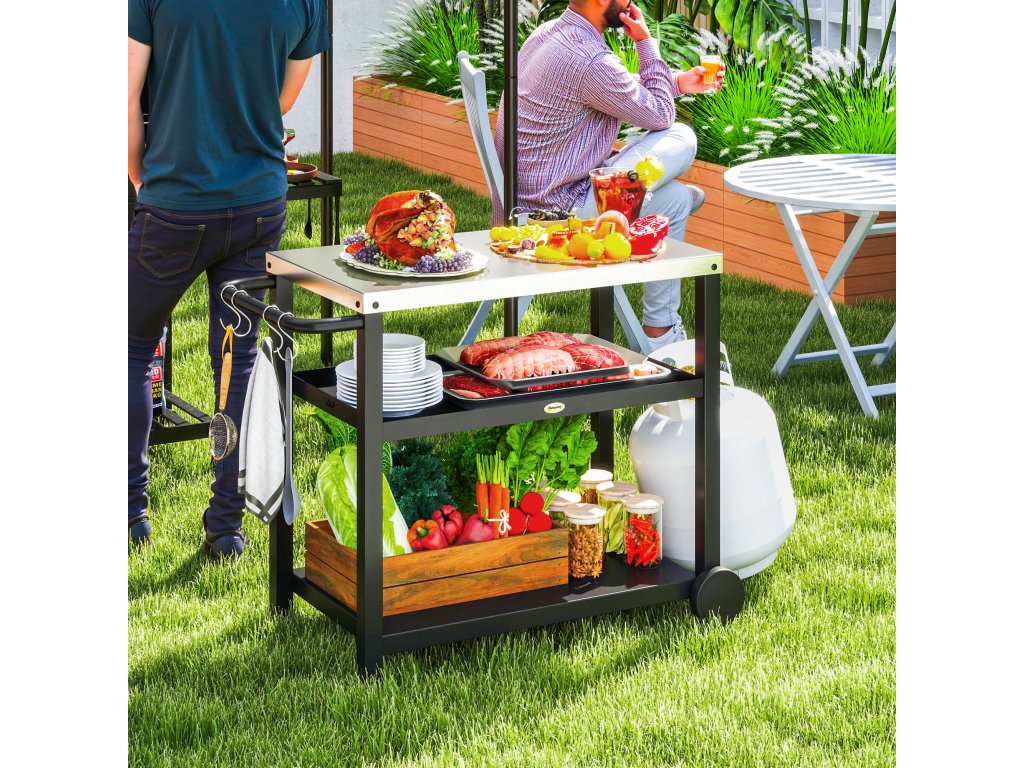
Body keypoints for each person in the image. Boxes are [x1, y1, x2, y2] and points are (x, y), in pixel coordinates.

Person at [128, 0, 329, 558]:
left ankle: (129, 514)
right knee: (234, 360)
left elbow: (124, 99)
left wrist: (143, 181)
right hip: (258, 203)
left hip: (175, 202)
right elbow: (281, 101)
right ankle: (225, 526)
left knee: (129, 347)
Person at [493, 0, 724, 348]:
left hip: (525, 207)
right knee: (682, 137)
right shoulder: (590, 59)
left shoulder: (549, 34)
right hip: (560, 215)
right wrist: (645, 43)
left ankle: (660, 336)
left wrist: (677, 81)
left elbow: (614, 87)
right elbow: (661, 115)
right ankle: (640, 188)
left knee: (674, 200)